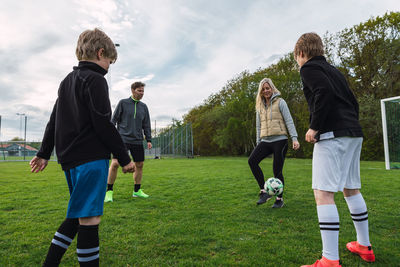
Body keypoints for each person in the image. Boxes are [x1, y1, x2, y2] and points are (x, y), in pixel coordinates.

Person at [30, 28, 135, 267]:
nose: (109, 66)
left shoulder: (67, 80)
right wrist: (124, 156)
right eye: (110, 60)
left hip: (70, 160)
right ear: (100, 53)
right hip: (90, 160)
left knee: (78, 214)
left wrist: (44, 153)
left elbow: (54, 119)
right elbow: (103, 124)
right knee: (89, 218)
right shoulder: (96, 80)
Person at [294, 32, 375, 267]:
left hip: (332, 135)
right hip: (352, 132)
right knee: (351, 189)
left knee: (323, 193)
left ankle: (329, 260)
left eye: (297, 58)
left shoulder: (308, 68)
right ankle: (364, 245)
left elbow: (324, 93)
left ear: (301, 53)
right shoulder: (334, 71)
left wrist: (314, 127)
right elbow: (353, 101)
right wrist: (349, 126)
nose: (298, 63)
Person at [248, 78, 300, 208]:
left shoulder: (280, 102)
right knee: (252, 161)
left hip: (280, 140)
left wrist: (294, 138)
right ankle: (264, 191)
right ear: (261, 91)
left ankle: (279, 199)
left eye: (268, 88)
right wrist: (258, 143)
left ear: (272, 88)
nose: (266, 91)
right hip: (265, 140)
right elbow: (258, 127)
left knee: (277, 170)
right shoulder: (259, 106)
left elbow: (289, 121)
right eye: (263, 89)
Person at [104, 81, 152, 202]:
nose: (142, 93)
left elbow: (146, 124)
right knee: (115, 164)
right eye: (139, 91)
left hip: (137, 140)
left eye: (143, 91)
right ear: (132, 90)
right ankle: (109, 192)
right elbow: (113, 120)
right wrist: (111, 136)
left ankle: (137, 191)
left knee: (139, 165)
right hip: (122, 140)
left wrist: (149, 139)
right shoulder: (123, 103)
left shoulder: (144, 107)